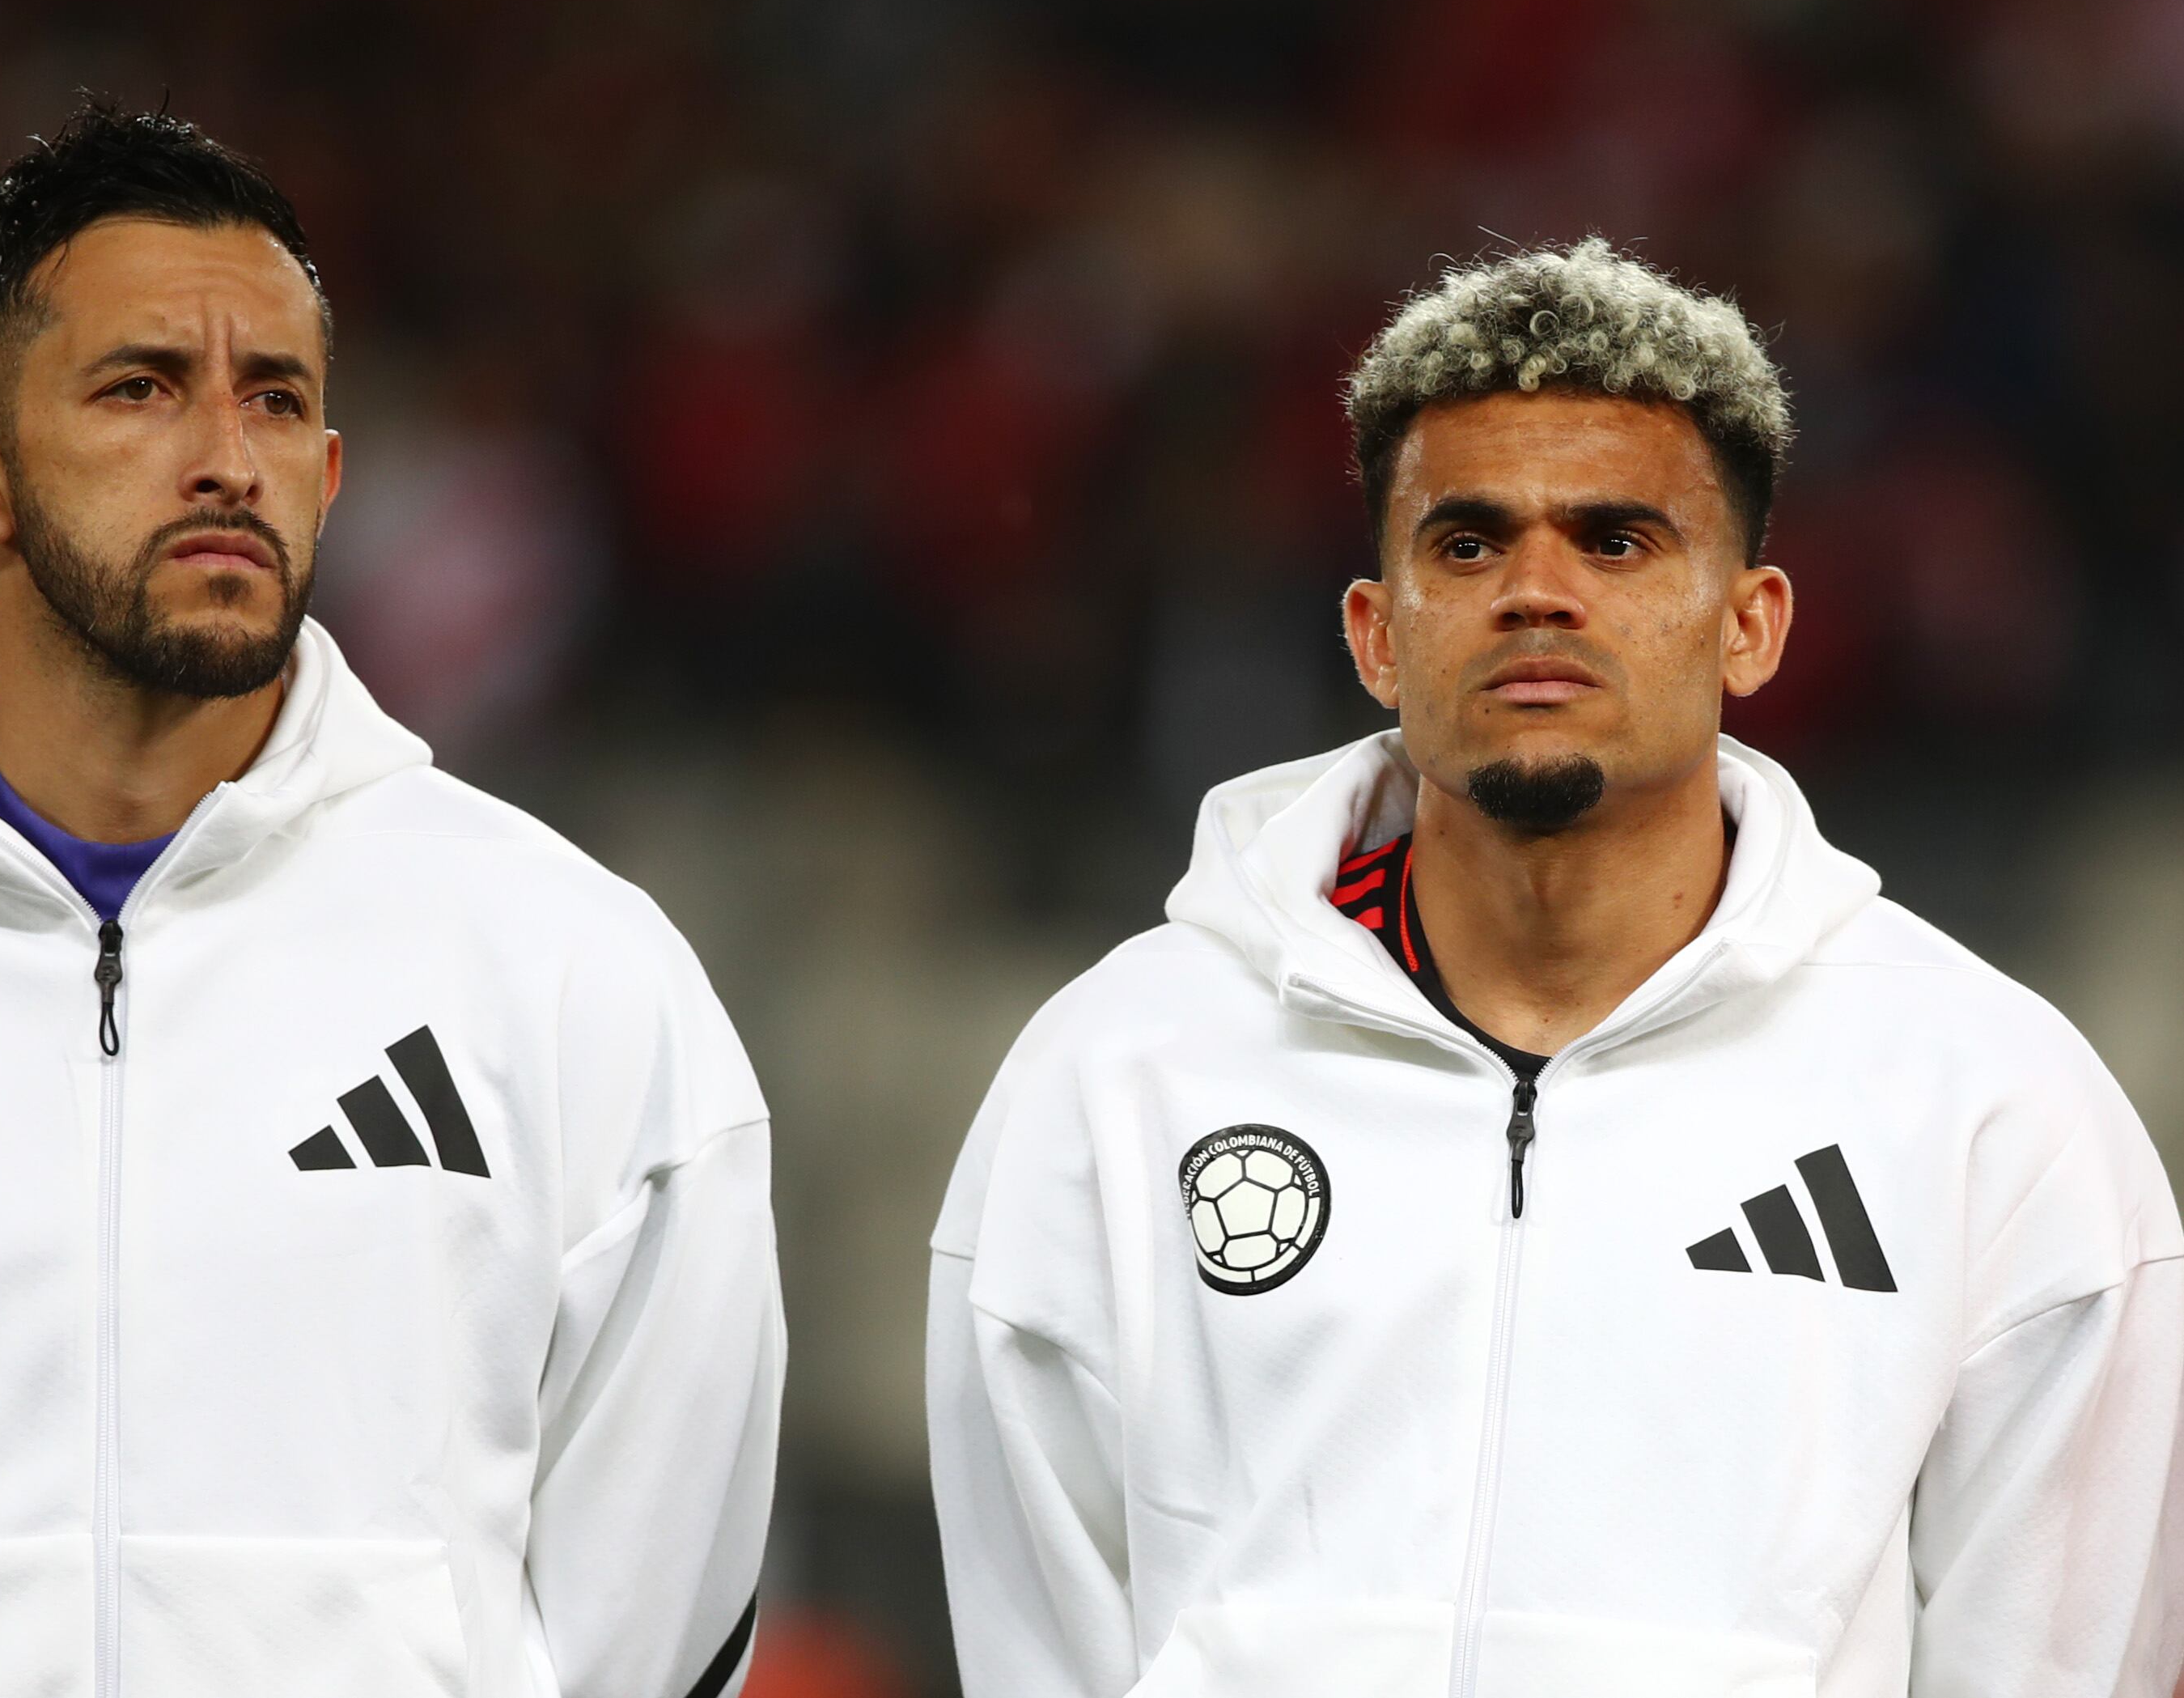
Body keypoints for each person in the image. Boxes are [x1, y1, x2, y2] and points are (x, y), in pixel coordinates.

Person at [0, 100, 781, 1698]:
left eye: (276, 400)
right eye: (142, 389)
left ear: (330, 471)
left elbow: (655, 1627)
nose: (226, 457)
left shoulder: (569, 972)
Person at [926, 237, 2183, 1696]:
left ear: (1751, 626)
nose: (1535, 590)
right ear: (1375, 634)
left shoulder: (1987, 1104)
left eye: (1614, 540)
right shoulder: (1120, 1066)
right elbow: (1038, 1632)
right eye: (1465, 543)